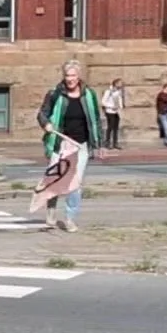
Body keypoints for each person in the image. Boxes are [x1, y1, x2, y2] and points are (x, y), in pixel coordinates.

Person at [36, 60, 103, 232]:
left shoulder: (89, 95)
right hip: (61, 143)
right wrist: (46, 124)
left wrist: (99, 143)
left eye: (73, 75)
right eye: (67, 75)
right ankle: (51, 211)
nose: (70, 79)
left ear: (78, 76)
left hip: (81, 146)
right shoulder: (55, 94)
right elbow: (42, 113)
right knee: (55, 179)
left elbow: (95, 119)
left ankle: (70, 219)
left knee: (75, 183)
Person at [101, 79, 126, 149]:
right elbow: (103, 102)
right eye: (120, 83)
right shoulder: (109, 91)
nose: (122, 84)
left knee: (116, 128)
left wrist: (120, 107)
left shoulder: (119, 91)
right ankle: (107, 142)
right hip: (110, 111)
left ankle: (115, 143)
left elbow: (120, 100)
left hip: (116, 112)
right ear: (116, 83)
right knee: (110, 127)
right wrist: (111, 106)